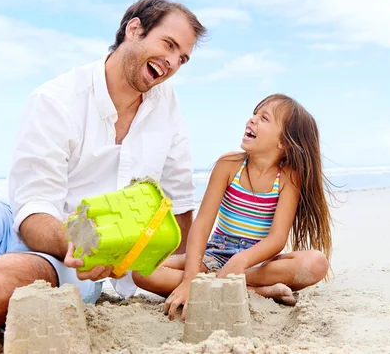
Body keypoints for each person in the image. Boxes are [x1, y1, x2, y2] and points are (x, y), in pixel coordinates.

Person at [0, 0, 207, 342]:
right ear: (134, 29)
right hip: (13, 221)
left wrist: (182, 272)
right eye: (168, 45)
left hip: (70, 264)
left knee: (11, 281)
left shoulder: (166, 104)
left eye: (182, 58)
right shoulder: (57, 99)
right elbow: (34, 209)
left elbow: (180, 201)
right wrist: (79, 240)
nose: (172, 62)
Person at [132, 93, 334, 321]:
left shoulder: (288, 178)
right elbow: (203, 223)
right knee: (141, 271)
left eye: (264, 118)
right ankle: (255, 291)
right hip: (214, 257)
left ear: (283, 142)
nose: (252, 120)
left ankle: (226, 283)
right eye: (254, 114)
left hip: (257, 264)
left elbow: (277, 239)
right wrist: (190, 278)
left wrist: (241, 261)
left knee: (316, 263)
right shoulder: (228, 165)